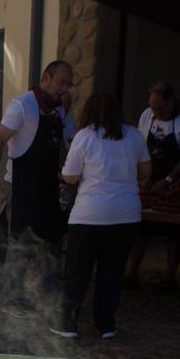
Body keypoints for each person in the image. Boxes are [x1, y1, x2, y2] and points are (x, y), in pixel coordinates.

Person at [53, 92, 151, 340]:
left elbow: (70, 176)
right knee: (112, 271)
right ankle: (106, 324)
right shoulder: (134, 136)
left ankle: (68, 323)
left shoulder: (84, 137)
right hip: (126, 214)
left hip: (89, 214)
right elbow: (145, 171)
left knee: (78, 270)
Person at [0, 60, 75, 312]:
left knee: (52, 241)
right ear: (46, 77)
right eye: (60, 82)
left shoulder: (62, 112)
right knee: (20, 241)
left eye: (68, 85)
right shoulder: (22, 105)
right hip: (21, 184)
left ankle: (49, 296)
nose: (64, 89)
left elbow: (71, 145)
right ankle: (11, 298)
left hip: (50, 186)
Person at [125, 81, 180, 292]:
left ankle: (170, 277)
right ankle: (131, 273)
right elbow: (141, 147)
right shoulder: (146, 116)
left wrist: (169, 180)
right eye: (153, 107)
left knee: (175, 231)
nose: (156, 112)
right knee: (141, 227)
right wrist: (143, 175)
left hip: (178, 182)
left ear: (172, 101)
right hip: (151, 180)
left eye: (160, 108)